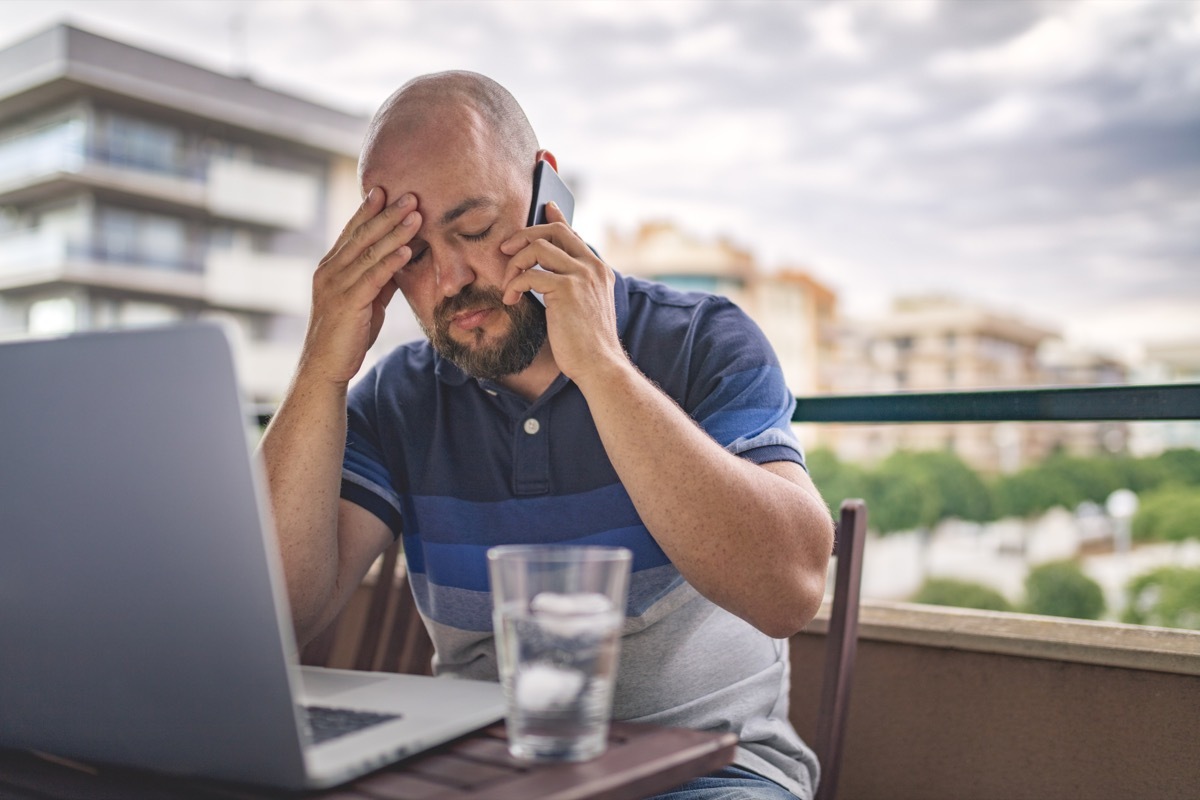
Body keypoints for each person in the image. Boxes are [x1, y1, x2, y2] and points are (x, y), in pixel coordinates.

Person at [259, 71, 834, 800]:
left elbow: (789, 590)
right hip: (485, 774)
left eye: (473, 228)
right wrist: (320, 370)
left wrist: (600, 365)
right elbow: (270, 615)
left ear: (546, 193)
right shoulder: (395, 400)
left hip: (711, 772)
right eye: (410, 255)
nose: (451, 277)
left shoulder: (703, 341)